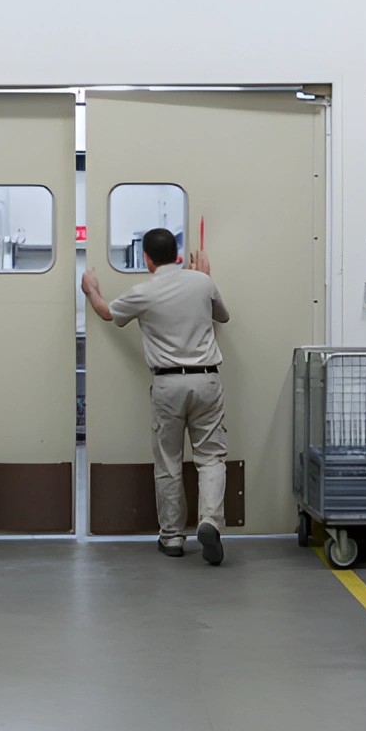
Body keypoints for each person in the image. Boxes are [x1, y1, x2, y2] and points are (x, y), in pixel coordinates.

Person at [82, 228, 230, 565]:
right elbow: (222, 315)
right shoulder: (201, 282)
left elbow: (107, 312)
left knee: (168, 461)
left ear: (146, 258)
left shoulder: (143, 292)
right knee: (210, 458)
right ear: (177, 254)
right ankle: (209, 521)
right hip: (207, 380)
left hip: (167, 384)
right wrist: (204, 281)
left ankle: (173, 538)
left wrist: (91, 289)